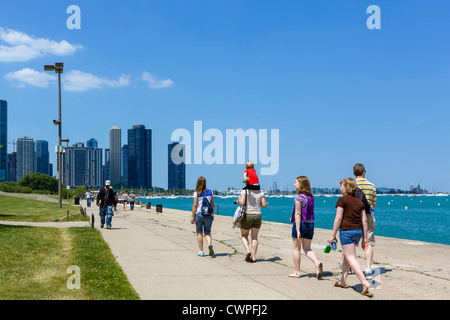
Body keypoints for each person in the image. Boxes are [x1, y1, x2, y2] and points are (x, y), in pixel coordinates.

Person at [328, 178, 373, 297]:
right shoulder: (359, 202)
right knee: (347, 257)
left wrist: (333, 235)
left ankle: (364, 282)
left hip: (347, 231)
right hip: (358, 232)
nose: (340, 188)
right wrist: (364, 237)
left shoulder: (342, 200)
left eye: (342, 186)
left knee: (351, 257)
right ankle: (343, 281)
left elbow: (338, 218)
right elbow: (364, 220)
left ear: (347, 187)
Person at [289, 176, 323, 279]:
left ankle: (297, 272)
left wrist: (298, 229)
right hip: (310, 225)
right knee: (307, 248)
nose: (294, 184)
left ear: (301, 185)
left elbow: (298, 214)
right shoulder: (311, 197)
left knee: (296, 249)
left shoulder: (299, 197)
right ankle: (317, 263)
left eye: (296, 182)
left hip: (301, 224)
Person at [353, 163, 377, 279]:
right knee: (369, 241)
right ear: (363, 172)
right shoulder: (371, 186)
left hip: (354, 216)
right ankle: (367, 269)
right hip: (368, 215)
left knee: (351, 241)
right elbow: (373, 203)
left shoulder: (351, 185)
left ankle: (351, 267)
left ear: (354, 173)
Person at [237, 181, 267, 263]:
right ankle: (253, 257)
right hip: (258, 215)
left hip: (247, 215)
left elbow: (242, 202)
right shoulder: (260, 192)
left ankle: (248, 251)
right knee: (254, 237)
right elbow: (264, 205)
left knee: (244, 235)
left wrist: (239, 200)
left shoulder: (245, 191)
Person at [191, 177, 215, 257]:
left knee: (199, 233)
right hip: (208, 214)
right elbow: (212, 204)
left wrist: (192, 217)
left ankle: (201, 251)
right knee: (207, 233)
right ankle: (209, 244)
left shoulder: (196, 193)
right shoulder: (210, 192)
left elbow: (195, 205)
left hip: (199, 214)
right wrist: (212, 214)